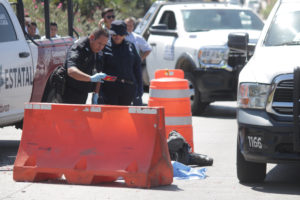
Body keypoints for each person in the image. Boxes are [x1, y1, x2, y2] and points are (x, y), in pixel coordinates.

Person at [98, 20, 142, 106]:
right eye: (115, 34)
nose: (117, 36)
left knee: (124, 117)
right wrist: (99, 92)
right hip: (109, 89)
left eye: (120, 34)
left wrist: (139, 91)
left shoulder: (130, 47)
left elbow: (137, 68)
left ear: (125, 34)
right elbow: (99, 69)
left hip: (128, 89)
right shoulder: (105, 47)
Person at [63, 28, 109, 104]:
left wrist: (96, 94)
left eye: (104, 44)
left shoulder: (97, 50)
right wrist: (90, 78)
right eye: (99, 43)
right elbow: (71, 71)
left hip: (84, 91)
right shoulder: (79, 47)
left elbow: (98, 73)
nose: (101, 47)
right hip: (70, 90)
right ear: (92, 38)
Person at [125, 17, 152, 105]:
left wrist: (141, 58)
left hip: (134, 65)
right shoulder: (119, 36)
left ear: (133, 26)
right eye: (127, 25)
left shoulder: (137, 37)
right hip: (123, 65)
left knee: (137, 87)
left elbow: (148, 49)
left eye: (131, 25)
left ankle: (137, 103)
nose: (129, 27)